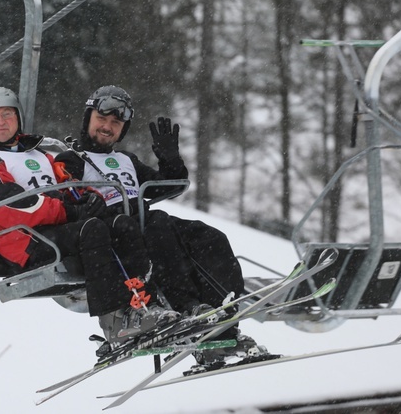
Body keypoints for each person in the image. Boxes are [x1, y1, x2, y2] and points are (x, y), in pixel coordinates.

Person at [54, 85, 268, 366]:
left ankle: (220, 321)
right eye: (101, 119)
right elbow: (65, 199)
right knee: (157, 223)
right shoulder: (70, 159)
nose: (107, 127)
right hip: (115, 229)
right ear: (88, 118)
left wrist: (170, 159)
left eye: (116, 123)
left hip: (144, 221)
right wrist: (87, 204)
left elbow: (167, 186)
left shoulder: (126, 160)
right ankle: (186, 306)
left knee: (208, 237)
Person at [0, 87, 179, 347]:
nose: (1, 122)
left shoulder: (41, 155)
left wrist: (90, 199)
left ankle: (144, 304)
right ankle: (113, 319)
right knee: (92, 229)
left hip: (55, 233)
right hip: (23, 241)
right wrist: (69, 211)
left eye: (7, 114)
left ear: (18, 119)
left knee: (120, 224)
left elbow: (69, 184)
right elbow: (18, 205)